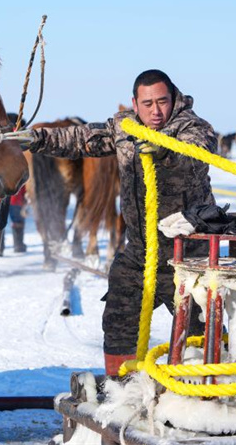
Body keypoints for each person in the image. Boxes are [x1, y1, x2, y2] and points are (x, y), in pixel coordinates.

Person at [27, 69, 216, 376]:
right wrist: (35, 139)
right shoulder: (124, 128)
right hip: (141, 254)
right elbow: (79, 138)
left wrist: (163, 151)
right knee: (118, 318)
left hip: (189, 256)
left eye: (162, 102)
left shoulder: (192, 126)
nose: (156, 111)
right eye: (148, 103)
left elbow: (196, 150)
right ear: (135, 102)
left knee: (197, 332)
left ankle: (197, 389)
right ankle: (121, 387)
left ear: (174, 99)